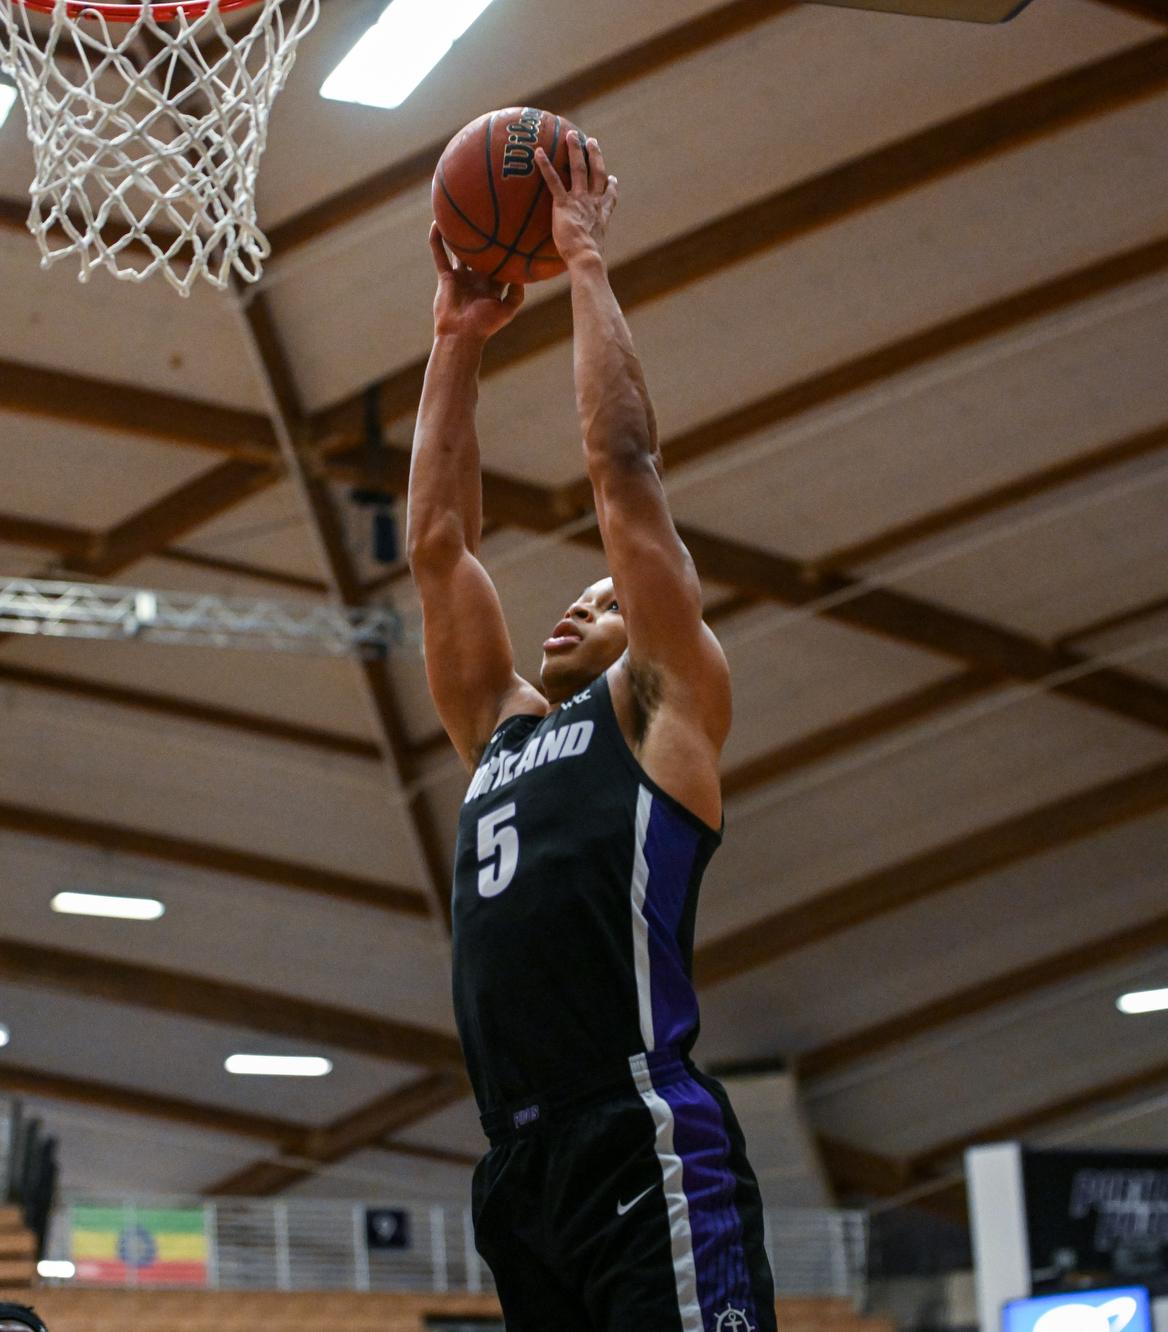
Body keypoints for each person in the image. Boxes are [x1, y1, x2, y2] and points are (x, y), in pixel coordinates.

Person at [408, 130, 775, 1332]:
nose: (581, 596)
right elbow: (438, 550)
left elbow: (620, 470)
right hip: (517, 1172)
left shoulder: (665, 712)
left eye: (610, 596)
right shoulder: (500, 737)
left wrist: (582, 267)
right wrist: (454, 340)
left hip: (638, 1135)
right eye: (581, 590)